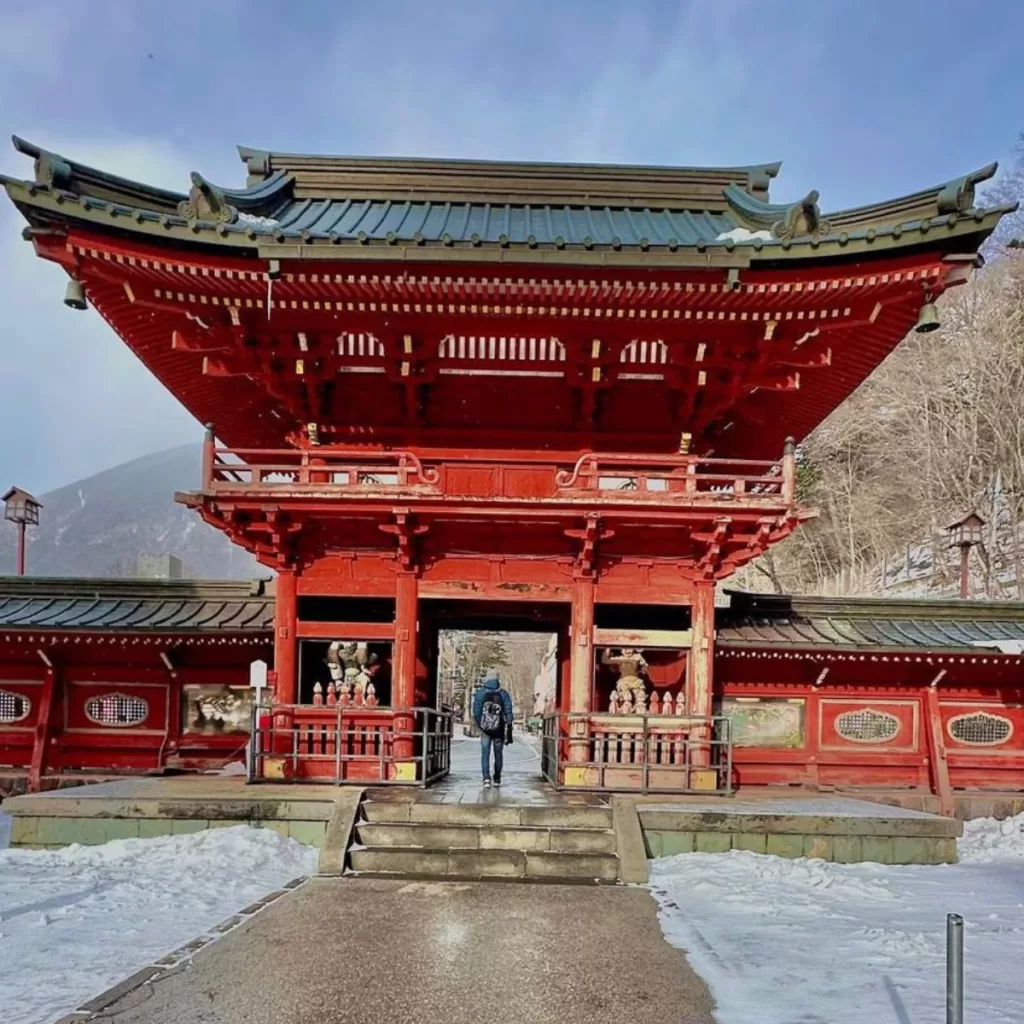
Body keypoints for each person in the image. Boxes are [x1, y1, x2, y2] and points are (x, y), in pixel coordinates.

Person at [472, 668, 513, 787]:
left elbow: (476, 712)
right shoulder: (503, 694)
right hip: (499, 729)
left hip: (485, 730)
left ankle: (486, 779)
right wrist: (507, 725)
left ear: (486, 678)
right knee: (498, 753)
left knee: (485, 753)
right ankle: (497, 778)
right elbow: (508, 711)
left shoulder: (480, 693)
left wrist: (482, 725)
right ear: (497, 679)